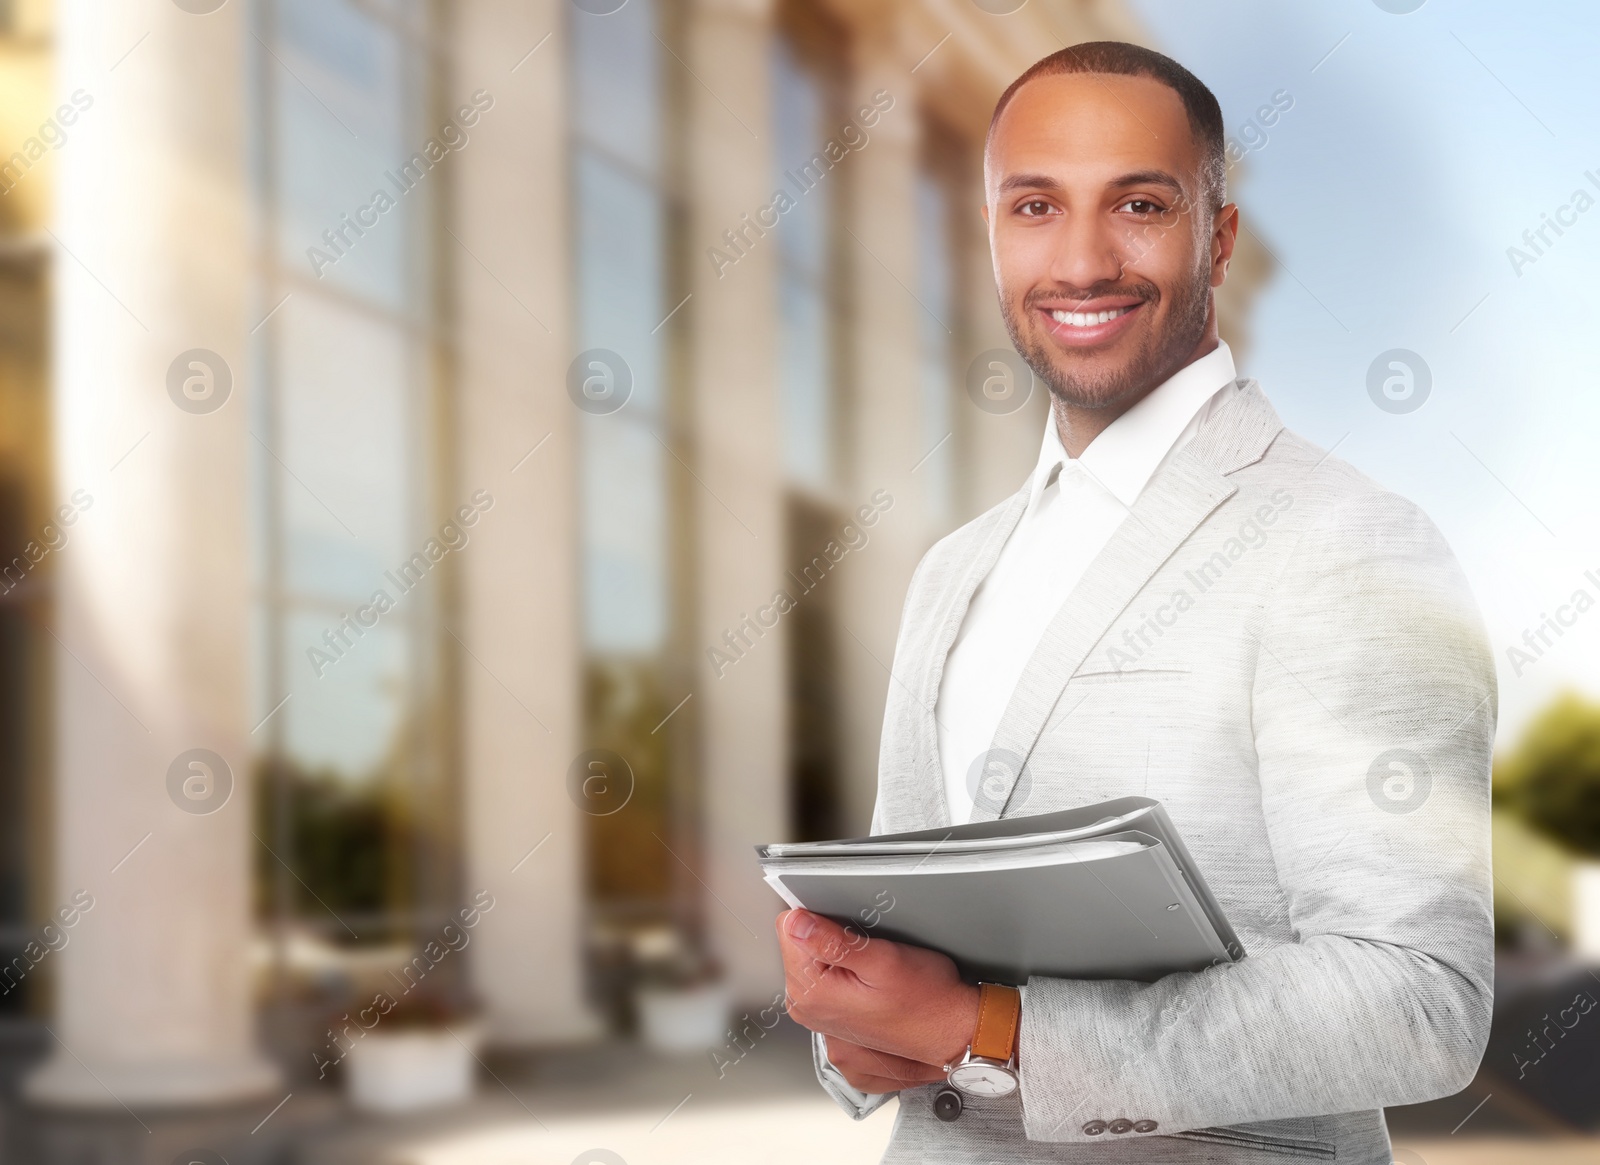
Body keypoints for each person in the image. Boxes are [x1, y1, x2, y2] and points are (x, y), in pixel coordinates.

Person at [775, 41, 1494, 1163]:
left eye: (1140, 203)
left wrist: (990, 1028)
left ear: (1216, 235)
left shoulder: (1347, 541)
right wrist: (852, 1023)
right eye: (1033, 206)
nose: (1080, 259)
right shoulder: (952, 571)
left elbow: (1419, 997)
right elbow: (901, 929)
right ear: (991, 233)